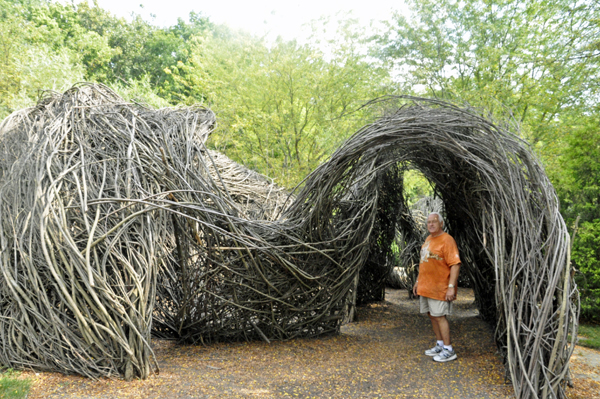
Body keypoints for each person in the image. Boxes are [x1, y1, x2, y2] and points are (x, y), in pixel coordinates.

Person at [412, 212, 461, 362]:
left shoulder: (447, 240)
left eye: (434, 221)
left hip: (440, 287)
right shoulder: (428, 239)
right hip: (427, 287)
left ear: (441, 223)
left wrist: (451, 286)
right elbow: (425, 262)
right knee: (432, 315)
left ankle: (448, 349)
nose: (431, 224)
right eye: (428, 222)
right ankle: (440, 344)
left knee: (440, 317)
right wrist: (418, 281)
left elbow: (455, 265)